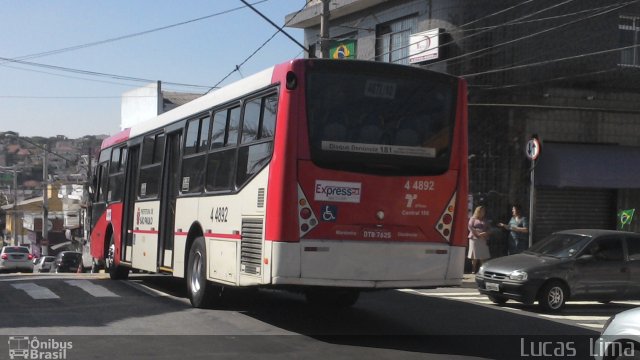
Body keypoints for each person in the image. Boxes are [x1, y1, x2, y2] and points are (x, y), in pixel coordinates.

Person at [468, 206, 490, 273]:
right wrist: (477, 234)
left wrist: (486, 233)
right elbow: (470, 227)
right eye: (482, 211)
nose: (483, 212)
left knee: (482, 256)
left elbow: (489, 228)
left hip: (483, 239)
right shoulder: (473, 219)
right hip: (474, 239)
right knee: (475, 256)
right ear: (478, 211)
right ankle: (473, 270)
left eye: (484, 211)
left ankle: (482, 271)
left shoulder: (485, 220)